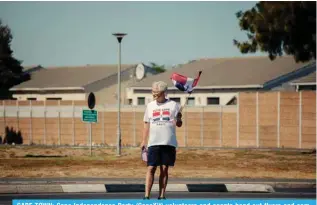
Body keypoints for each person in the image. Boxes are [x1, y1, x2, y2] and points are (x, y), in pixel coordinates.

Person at [141, 81, 183, 200]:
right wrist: (144, 141)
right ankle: (146, 195)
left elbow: (179, 124)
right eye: (153, 92)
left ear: (164, 92)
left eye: (157, 92)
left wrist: (179, 119)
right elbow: (146, 124)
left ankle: (162, 195)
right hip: (153, 142)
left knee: (164, 168)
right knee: (151, 168)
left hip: (168, 142)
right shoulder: (150, 106)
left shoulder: (174, 105)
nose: (154, 94)